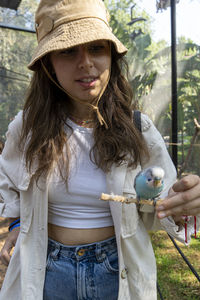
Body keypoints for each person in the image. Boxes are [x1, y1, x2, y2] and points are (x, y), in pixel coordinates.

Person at [0, 0, 200, 299]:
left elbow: (163, 204)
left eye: (96, 48)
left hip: (117, 270)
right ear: (48, 63)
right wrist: (17, 222)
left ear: (111, 56)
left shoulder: (139, 129)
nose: (86, 62)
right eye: (68, 50)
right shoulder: (27, 128)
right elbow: (9, 183)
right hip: (47, 272)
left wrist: (184, 202)